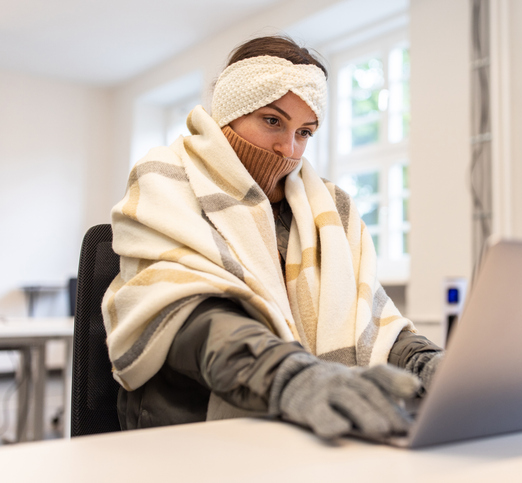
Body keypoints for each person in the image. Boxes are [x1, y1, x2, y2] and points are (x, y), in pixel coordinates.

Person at [102, 36, 442, 440]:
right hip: (193, 432)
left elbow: (371, 321)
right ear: (231, 112)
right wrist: (291, 376)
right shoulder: (167, 178)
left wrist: (428, 363)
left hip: (311, 426)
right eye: (272, 121)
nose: (289, 148)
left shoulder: (331, 210)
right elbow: (195, 317)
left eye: (305, 132)